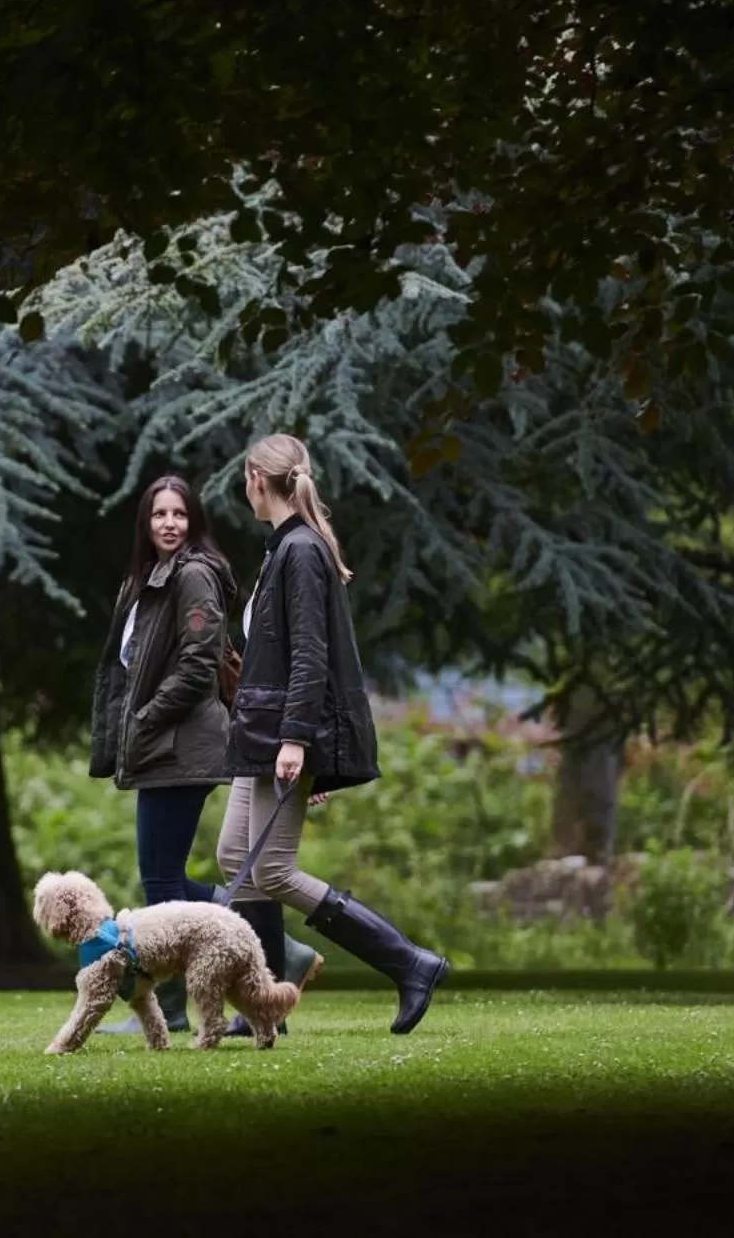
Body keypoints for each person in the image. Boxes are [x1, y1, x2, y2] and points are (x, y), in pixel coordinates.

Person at [217, 434, 450, 1036]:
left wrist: (297, 741)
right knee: (235, 857)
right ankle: (263, 1004)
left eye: (245, 479)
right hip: (263, 732)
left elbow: (310, 655)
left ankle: (410, 962)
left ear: (257, 479)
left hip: (280, 733)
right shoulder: (283, 547)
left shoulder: (300, 550)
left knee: (272, 870)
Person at [87, 474, 325, 1036]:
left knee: (160, 881)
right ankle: (282, 950)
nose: (169, 523)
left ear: (193, 521)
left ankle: (169, 1009)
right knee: (166, 876)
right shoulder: (146, 577)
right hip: (160, 743)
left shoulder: (193, 574)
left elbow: (198, 665)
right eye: (159, 514)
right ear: (145, 522)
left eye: (179, 514)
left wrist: (146, 718)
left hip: (182, 743)